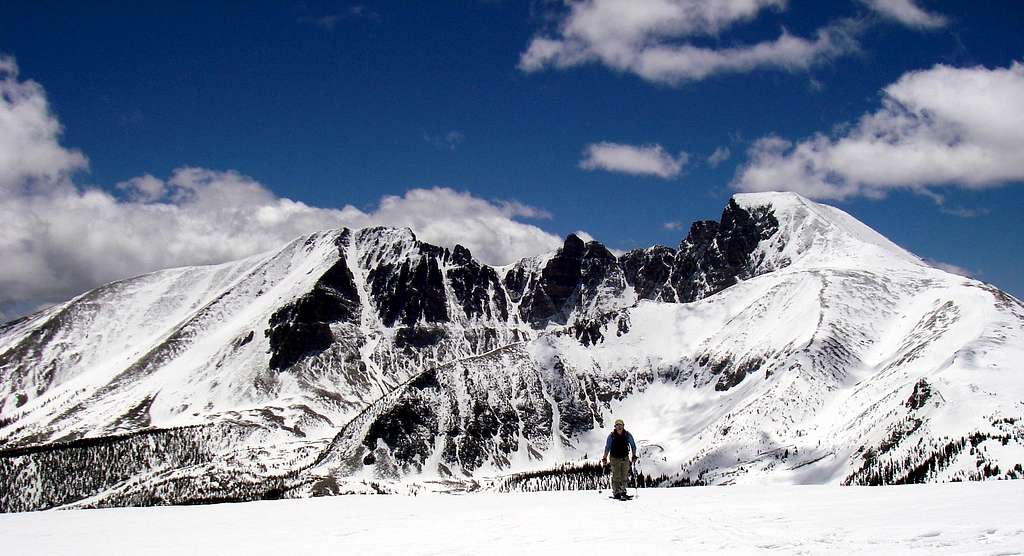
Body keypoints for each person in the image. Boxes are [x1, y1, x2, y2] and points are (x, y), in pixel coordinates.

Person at [601, 418, 638, 499]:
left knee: (624, 475)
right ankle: (616, 492)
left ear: (623, 426)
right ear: (615, 426)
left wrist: (634, 455)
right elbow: (607, 447)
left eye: (620, 425)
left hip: (625, 457)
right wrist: (605, 457)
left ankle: (623, 491)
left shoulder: (627, 435)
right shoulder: (611, 436)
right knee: (616, 475)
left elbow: (633, 445)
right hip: (614, 458)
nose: (619, 427)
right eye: (617, 425)